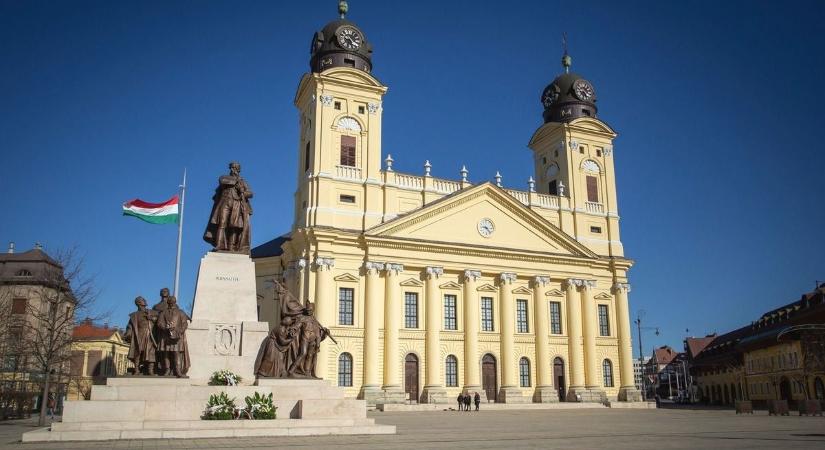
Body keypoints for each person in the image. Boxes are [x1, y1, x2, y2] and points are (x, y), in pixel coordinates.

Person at [203, 161, 254, 253]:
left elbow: (250, 193)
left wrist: (242, 191)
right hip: (224, 203)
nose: (232, 169)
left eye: (234, 168)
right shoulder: (225, 178)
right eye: (231, 168)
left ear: (238, 170)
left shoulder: (242, 181)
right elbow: (222, 181)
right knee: (222, 223)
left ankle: (232, 247)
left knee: (234, 226)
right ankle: (219, 245)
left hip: (236, 203)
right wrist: (237, 182)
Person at [156, 296, 191, 377]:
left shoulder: (180, 312)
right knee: (166, 353)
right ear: (168, 302)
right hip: (165, 336)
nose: (171, 303)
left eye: (173, 302)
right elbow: (159, 323)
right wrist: (165, 327)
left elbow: (184, 323)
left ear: (175, 302)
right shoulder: (163, 312)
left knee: (176, 353)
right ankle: (167, 370)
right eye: (170, 302)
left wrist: (180, 331)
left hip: (177, 336)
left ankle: (177, 370)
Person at [124, 296, 157, 375]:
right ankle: (136, 369)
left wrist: (152, 318)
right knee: (137, 352)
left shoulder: (152, 312)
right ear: (139, 303)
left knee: (151, 352)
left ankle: (150, 371)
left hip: (150, 334)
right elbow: (130, 326)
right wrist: (128, 334)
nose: (145, 300)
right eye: (143, 300)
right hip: (138, 335)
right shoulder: (134, 315)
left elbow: (159, 320)